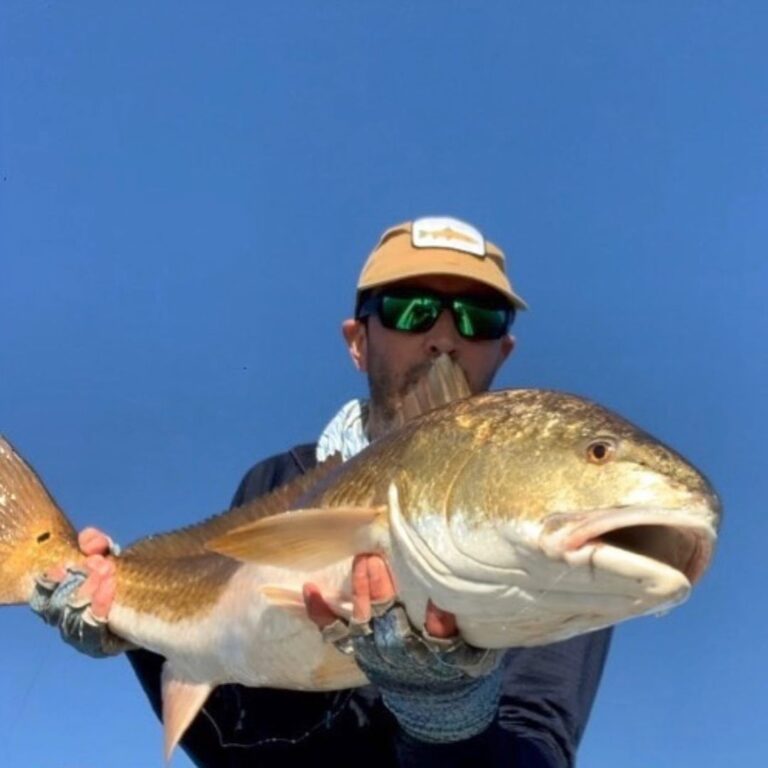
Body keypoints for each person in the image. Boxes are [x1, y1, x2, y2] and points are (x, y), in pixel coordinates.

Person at [34, 216, 612, 767]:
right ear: (357, 340)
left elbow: (537, 744)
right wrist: (126, 622)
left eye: (479, 317)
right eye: (409, 310)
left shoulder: (563, 540)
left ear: (503, 349)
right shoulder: (275, 481)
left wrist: (445, 717)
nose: (443, 338)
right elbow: (236, 742)